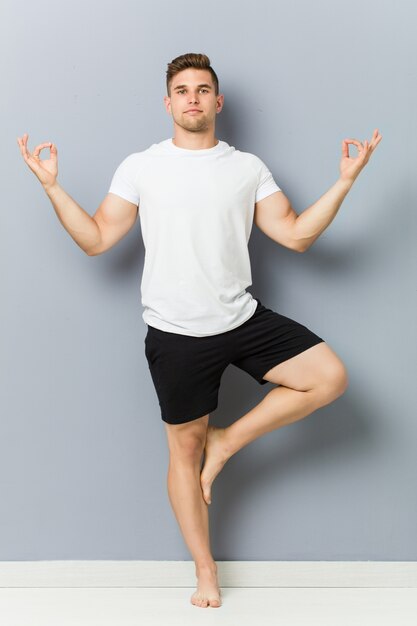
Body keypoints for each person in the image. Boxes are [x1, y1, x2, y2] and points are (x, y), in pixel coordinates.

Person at [17, 52, 382, 609]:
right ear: (168, 103)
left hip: (241, 317)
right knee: (182, 456)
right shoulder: (141, 166)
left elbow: (296, 235)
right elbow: (95, 239)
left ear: (217, 102)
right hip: (175, 333)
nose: (192, 98)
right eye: (182, 90)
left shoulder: (247, 167)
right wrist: (51, 187)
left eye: (202, 89)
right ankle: (206, 573)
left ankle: (227, 440)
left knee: (328, 377)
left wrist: (345, 181)